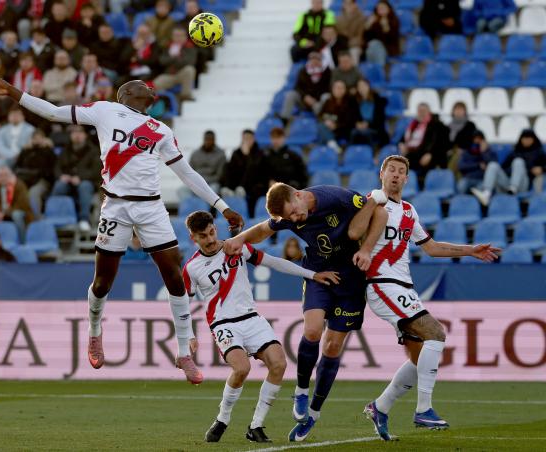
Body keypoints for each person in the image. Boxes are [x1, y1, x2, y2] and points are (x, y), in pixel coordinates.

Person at [0, 75, 244, 383]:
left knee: (175, 276)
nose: (150, 87)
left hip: (150, 207)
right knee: (103, 282)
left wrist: (221, 206)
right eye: (143, 84)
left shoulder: (161, 130)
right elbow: (53, 112)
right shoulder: (105, 110)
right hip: (116, 207)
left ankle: (183, 352)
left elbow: (187, 173)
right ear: (127, 93)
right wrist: (14, 93)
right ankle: (94, 331)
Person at [223, 182, 388, 442]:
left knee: (332, 347)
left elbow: (379, 210)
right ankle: (300, 390)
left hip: (351, 277)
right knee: (312, 330)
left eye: (296, 214)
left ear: (298, 196)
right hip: (318, 273)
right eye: (290, 218)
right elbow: (264, 230)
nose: (296, 220)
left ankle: (313, 413)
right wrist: (240, 238)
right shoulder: (289, 214)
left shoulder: (336, 197)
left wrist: (366, 248)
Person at [354, 155, 500, 440]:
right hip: (382, 283)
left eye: (401, 172)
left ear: (407, 179)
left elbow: (431, 248)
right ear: (381, 173)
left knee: (420, 356)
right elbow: (355, 232)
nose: (396, 175)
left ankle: (380, 407)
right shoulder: (373, 201)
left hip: (405, 286)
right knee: (436, 332)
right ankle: (424, 409)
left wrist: (470, 250)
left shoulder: (409, 211)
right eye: (391, 170)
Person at [184, 210, 338, 443]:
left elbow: (274, 262)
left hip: (251, 318)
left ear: (216, 228)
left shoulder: (237, 247)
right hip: (223, 323)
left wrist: (312, 274)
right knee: (241, 368)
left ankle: (256, 426)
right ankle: (222, 418)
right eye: (203, 236)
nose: (210, 239)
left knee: (279, 364)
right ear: (193, 238)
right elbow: (182, 302)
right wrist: (187, 333)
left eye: (212, 232)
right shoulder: (192, 268)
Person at [472, 129, 546, 205]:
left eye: (529, 138)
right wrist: (511, 170)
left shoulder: (538, 151)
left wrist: (542, 169)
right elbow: (503, 167)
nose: (526, 140)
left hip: (523, 184)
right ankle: (486, 193)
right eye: (524, 138)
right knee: (493, 165)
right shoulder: (515, 151)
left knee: (518, 161)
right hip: (508, 183)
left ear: (533, 139)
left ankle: (513, 188)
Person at [51, 125, 101, 232]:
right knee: (59, 185)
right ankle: (55, 216)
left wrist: (80, 177)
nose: (77, 135)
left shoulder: (93, 150)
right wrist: (61, 176)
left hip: (87, 182)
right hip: (69, 182)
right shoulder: (66, 150)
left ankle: (84, 219)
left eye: (80, 132)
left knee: (84, 186)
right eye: (74, 132)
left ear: (85, 135)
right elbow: (57, 167)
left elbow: (96, 171)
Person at [220, 129, 268, 218]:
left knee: (254, 188)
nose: (247, 141)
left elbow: (255, 170)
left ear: (254, 139)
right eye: (245, 138)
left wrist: (247, 156)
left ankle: (250, 216)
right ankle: (227, 188)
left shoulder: (260, 153)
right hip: (237, 183)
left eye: (249, 138)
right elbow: (232, 169)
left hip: (254, 184)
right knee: (227, 165)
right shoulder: (236, 152)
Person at [399, 103, 450, 180]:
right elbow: (403, 138)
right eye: (419, 111)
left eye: (424, 111)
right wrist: (401, 144)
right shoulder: (414, 125)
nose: (421, 113)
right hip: (414, 155)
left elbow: (443, 144)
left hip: (432, 158)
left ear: (429, 112)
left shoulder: (437, 125)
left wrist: (431, 154)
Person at [0, 165, 34, 237]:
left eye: (5, 175)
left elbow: (22, 204)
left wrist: (5, 212)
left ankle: (22, 241)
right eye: (0, 176)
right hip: (0, 213)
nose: (3, 178)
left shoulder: (19, 185)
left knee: (17, 215)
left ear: (11, 175)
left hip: (16, 212)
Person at [280, 52, 331, 124]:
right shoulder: (303, 71)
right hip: (304, 100)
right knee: (291, 94)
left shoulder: (327, 71)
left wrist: (314, 100)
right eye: (312, 59)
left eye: (317, 59)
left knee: (325, 98)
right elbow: (297, 87)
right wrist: (305, 96)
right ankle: (284, 119)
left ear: (320, 61)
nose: (314, 61)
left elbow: (328, 88)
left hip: (319, 101)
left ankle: (321, 121)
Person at [14, 129, 56, 216]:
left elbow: (50, 171)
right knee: (14, 188)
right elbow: (17, 166)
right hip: (25, 179)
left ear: (44, 139)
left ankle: (36, 218)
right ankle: (16, 215)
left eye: (39, 138)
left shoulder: (49, 151)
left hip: (42, 180)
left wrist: (46, 148)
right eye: (35, 138)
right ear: (31, 139)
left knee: (33, 193)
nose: (37, 140)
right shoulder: (26, 151)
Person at [153, 26, 197, 102]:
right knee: (157, 83)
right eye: (176, 36)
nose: (178, 38)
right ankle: (163, 102)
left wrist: (174, 58)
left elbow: (189, 62)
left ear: (185, 37)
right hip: (169, 75)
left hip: (182, 74)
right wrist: (175, 58)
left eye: (181, 36)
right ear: (172, 37)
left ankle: (185, 95)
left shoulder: (190, 47)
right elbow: (162, 61)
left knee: (189, 69)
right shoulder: (168, 46)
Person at [0, 105, 35, 182]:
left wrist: (19, 155)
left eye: (17, 114)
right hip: (7, 157)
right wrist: (12, 155)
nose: (15, 117)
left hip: (22, 158)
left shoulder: (30, 130)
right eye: (12, 114)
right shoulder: (3, 130)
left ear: (23, 116)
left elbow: (29, 146)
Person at [316, 79, 360, 145]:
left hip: (343, 130)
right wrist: (326, 122)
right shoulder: (328, 101)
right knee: (320, 127)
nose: (339, 90)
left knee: (322, 132)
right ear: (333, 89)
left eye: (342, 88)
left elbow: (351, 121)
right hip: (328, 128)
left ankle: (331, 145)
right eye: (337, 88)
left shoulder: (351, 102)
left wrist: (336, 126)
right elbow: (320, 115)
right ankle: (332, 144)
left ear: (345, 89)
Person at [350, 78, 388, 147]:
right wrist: (357, 124)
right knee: (353, 133)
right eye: (359, 87)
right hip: (360, 127)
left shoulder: (377, 100)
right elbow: (352, 117)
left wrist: (368, 124)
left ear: (368, 86)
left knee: (366, 133)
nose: (362, 88)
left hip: (374, 127)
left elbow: (380, 119)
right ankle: (352, 153)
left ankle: (371, 153)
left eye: (364, 86)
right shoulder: (354, 101)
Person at [363, 1, 400, 66]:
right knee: (373, 44)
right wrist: (368, 25)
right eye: (379, 8)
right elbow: (367, 37)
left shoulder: (393, 20)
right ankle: (374, 68)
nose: (381, 10)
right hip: (373, 46)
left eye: (383, 8)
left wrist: (386, 28)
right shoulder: (374, 20)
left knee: (376, 46)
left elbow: (392, 39)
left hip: (388, 47)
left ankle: (377, 68)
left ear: (388, 8)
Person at [335, 0, 365, 65]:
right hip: (341, 44)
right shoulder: (337, 18)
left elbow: (360, 36)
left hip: (354, 45)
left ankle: (353, 72)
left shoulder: (361, 18)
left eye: (350, 3)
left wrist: (348, 43)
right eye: (345, 3)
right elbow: (336, 34)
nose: (348, 5)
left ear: (355, 5)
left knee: (353, 51)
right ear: (343, 5)